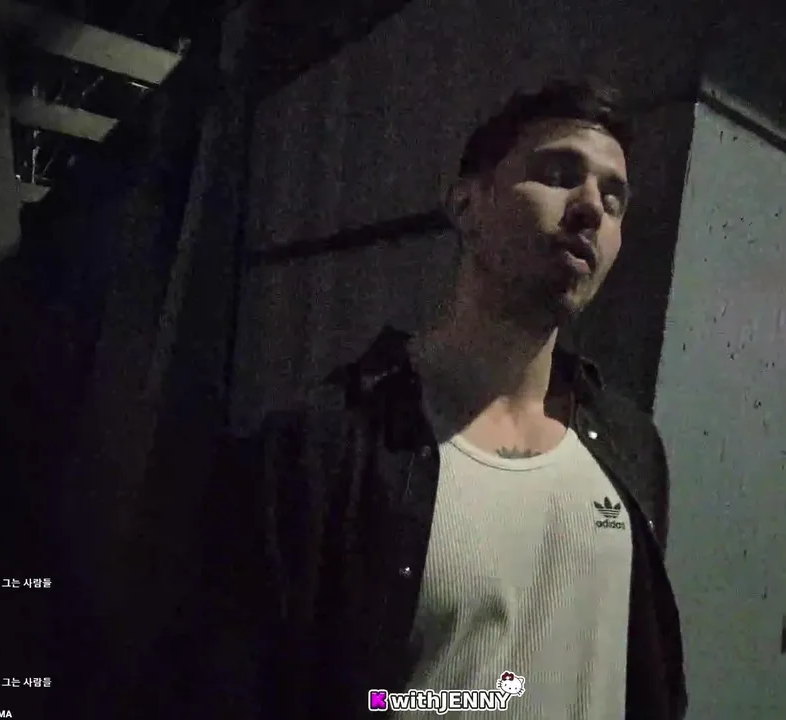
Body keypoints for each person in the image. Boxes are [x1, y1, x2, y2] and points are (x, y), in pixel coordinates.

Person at [215, 77, 686, 719]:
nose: (591, 209)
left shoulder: (631, 449)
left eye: (614, 198)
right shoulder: (321, 449)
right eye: (558, 174)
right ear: (466, 205)